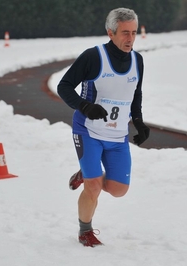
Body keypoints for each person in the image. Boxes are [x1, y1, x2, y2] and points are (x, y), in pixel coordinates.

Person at [57, 7, 150, 247]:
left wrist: (139, 122)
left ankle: (86, 174)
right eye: (124, 33)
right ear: (110, 32)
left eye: (133, 32)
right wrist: (85, 107)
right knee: (94, 187)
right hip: (88, 131)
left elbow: (135, 93)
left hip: (118, 135)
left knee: (119, 189)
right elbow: (64, 86)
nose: (130, 39)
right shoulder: (93, 57)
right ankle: (85, 230)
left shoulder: (137, 60)